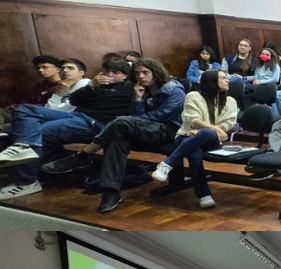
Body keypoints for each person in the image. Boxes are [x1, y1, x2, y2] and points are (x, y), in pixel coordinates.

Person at [41, 58, 185, 213]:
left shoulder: (174, 90)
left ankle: (83, 155)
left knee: (121, 122)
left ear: (156, 72)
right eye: (137, 73)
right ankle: (111, 192)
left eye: (145, 72)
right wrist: (137, 99)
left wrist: (131, 119)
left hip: (169, 131)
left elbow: (159, 117)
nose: (141, 76)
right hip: (144, 130)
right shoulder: (140, 89)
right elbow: (137, 116)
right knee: (116, 140)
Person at [0, 57, 132, 201]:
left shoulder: (128, 87)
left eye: (115, 72)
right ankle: (22, 147)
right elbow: (74, 100)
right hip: (75, 115)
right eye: (106, 71)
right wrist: (92, 85)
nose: (109, 75)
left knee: (37, 132)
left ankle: (26, 182)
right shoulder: (96, 85)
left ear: (125, 76)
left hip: (94, 123)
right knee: (25, 110)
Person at [150, 69, 236, 208]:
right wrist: (212, 129)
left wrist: (207, 130)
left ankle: (168, 163)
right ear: (211, 81)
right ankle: (204, 195)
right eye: (223, 78)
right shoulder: (193, 96)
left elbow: (229, 122)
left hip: (210, 139)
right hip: (185, 136)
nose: (227, 80)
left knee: (206, 133)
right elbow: (192, 119)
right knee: (194, 153)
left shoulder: (230, 101)